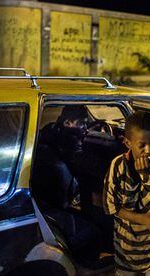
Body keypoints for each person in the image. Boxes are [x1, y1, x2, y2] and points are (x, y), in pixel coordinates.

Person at [103, 111, 150, 275]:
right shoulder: (117, 166)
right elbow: (112, 207)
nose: (148, 150)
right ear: (127, 142)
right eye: (142, 145)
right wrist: (144, 219)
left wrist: (144, 175)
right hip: (127, 250)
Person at [32, 105, 104, 266]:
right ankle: (87, 268)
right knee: (94, 233)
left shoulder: (50, 131)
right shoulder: (69, 142)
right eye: (82, 124)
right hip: (52, 207)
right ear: (68, 123)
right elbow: (85, 163)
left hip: (42, 200)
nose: (85, 128)